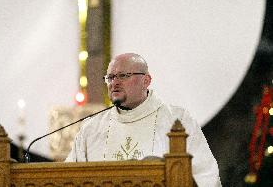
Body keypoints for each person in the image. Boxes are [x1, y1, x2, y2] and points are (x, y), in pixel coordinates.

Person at [66, 53, 222, 186]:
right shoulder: (92, 129)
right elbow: (65, 177)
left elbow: (205, 175)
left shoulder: (178, 121)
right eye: (110, 77)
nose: (114, 83)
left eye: (123, 75)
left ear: (146, 80)